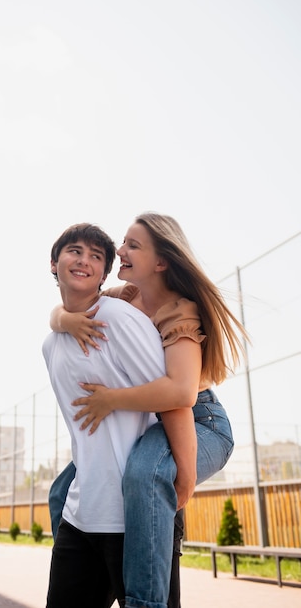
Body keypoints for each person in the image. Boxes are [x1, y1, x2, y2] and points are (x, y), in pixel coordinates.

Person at [50, 212, 247, 608]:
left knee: (144, 473)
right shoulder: (126, 298)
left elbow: (180, 394)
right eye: (123, 242)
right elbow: (67, 306)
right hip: (157, 418)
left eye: (132, 245)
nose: (119, 250)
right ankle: (82, 568)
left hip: (202, 423)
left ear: (160, 262)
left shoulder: (180, 311)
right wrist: (64, 320)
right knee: (62, 490)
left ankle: (145, 601)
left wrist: (185, 475)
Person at [42, 222, 167, 608]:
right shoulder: (50, 344)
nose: (84, 260)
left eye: (96, 256)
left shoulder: (120, 319)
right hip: (80, 516)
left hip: (134, 518)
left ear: (104, 273)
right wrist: (60, 319)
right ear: (53, 263)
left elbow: (172, 403)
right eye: (74, 251)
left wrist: (178, 492)